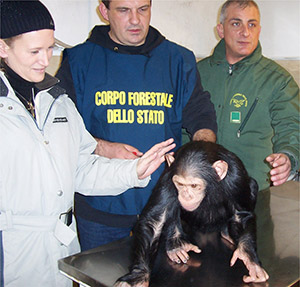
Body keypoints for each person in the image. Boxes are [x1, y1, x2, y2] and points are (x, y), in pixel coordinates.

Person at [0, 1, 176, 286]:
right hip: (13, 252)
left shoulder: (58, 102)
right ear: (3, 48)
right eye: (34, 51)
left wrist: (135, 172)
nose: (45, 61)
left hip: (62, 247)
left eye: (50, 48)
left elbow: (81, 169)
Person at [56, 0, 217, 251]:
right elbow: (61, 129)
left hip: (163, 204)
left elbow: (200, 113)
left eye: (143, 9)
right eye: (123, 10)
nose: (135, 20)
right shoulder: (79, 60)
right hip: (101, 206)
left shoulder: (178, 59)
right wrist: (103, 147)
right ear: (104, 11)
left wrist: (203, 153)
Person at [195, 0, 299, 192]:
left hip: (254, 192)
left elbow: (291, 125)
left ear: (259, 29)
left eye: (252, 24)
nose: (245, 32)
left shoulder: (278, 79)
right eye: (236, 23)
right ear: (221, 29)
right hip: (201, 191)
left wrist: (288, 156)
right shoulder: (196, 74)